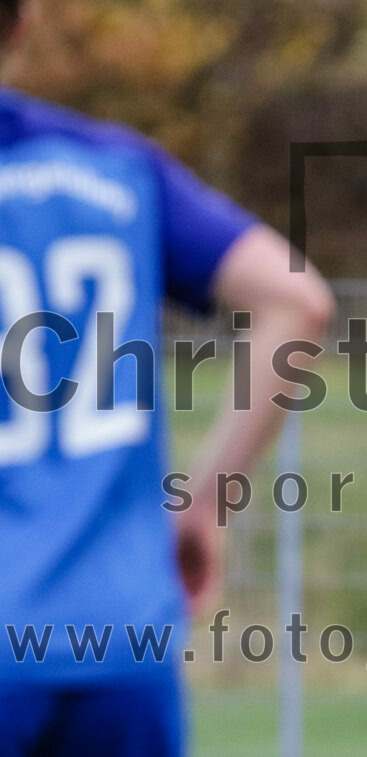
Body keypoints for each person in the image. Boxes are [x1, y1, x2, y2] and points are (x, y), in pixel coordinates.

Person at [0, 2, 335, 754]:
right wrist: (205, 502)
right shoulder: (118, 171)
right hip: (119, 638)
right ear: (23, 23)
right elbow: (297, 301)